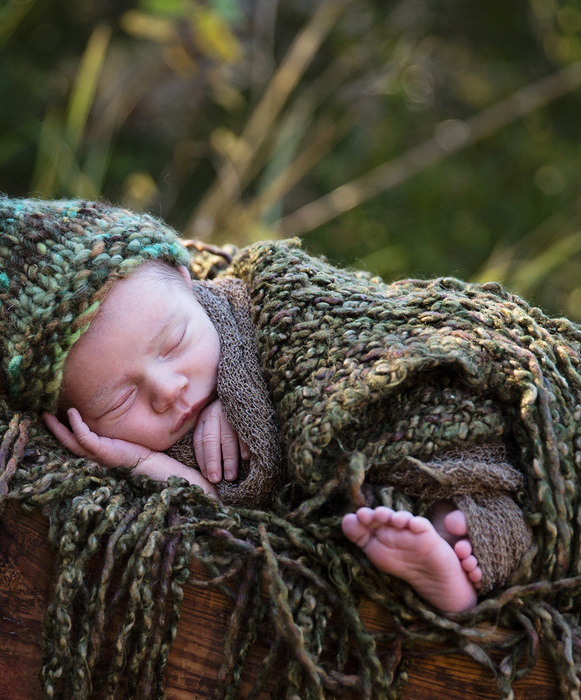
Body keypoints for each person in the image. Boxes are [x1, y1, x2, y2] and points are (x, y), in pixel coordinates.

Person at [42, 258, 487, 613]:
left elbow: (313, 325)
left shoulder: (244, 303)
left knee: (431, 447)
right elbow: (212, 513)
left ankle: (460, 538)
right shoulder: (149, 448)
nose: (167, 390)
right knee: (363, 511)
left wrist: (239, 387)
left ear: (188, 282)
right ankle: (444, 563)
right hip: (342, 508)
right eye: (118, 402)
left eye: (175, 343)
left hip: (369, 399)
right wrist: (139, 463)